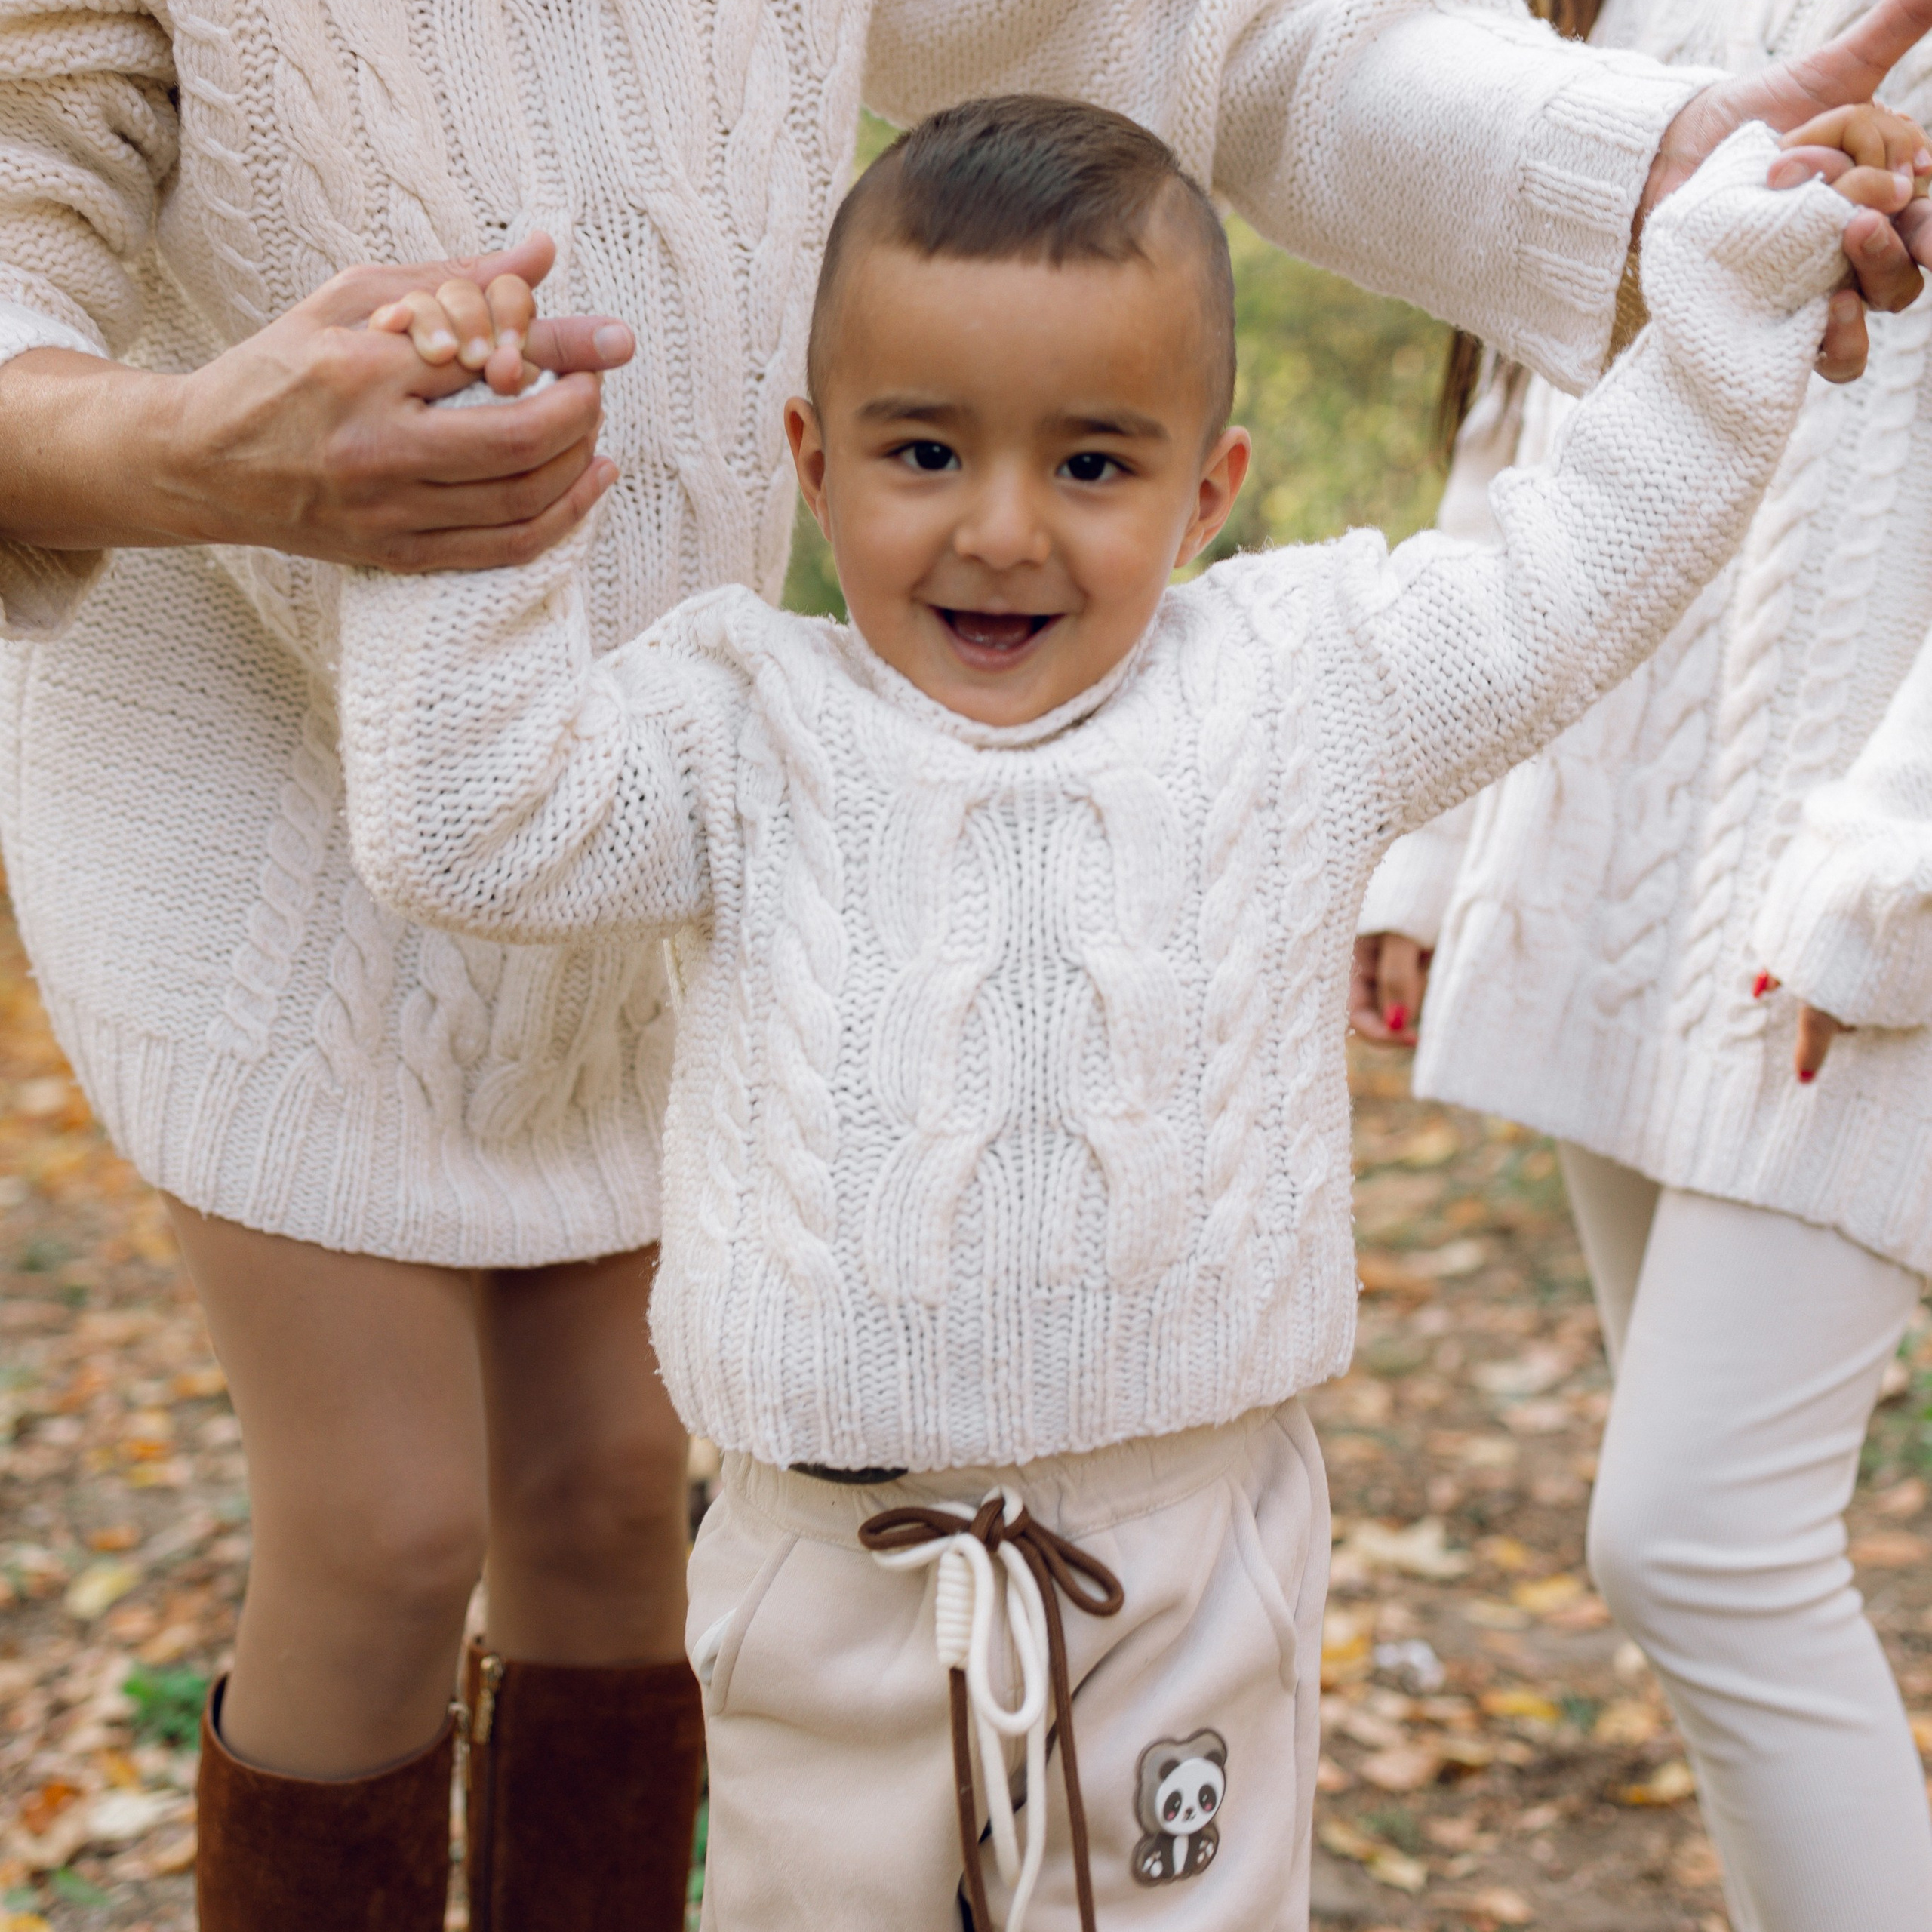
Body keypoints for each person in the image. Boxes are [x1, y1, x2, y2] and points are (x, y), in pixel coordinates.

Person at [2, 2, 1930, 1925]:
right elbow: (467, 827)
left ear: (1210, 488)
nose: (1001, 528)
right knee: (446, 1564)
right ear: (811, 461)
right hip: (822, 1574)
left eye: (1094, 464)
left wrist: (1717, 273)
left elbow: (1573, 560)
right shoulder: (732, 725)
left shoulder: (1304, 687)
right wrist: (464, 525)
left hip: (1180, 1572)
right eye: (923, 450)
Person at [1353, 2, 1932, 1924]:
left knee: (1698, 1542)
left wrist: (1888, 881)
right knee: (1722, 1557)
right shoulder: (1626, 14)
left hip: (1859, 897)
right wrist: (1433, 838)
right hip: (1633, 866)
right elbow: (1527, 416)